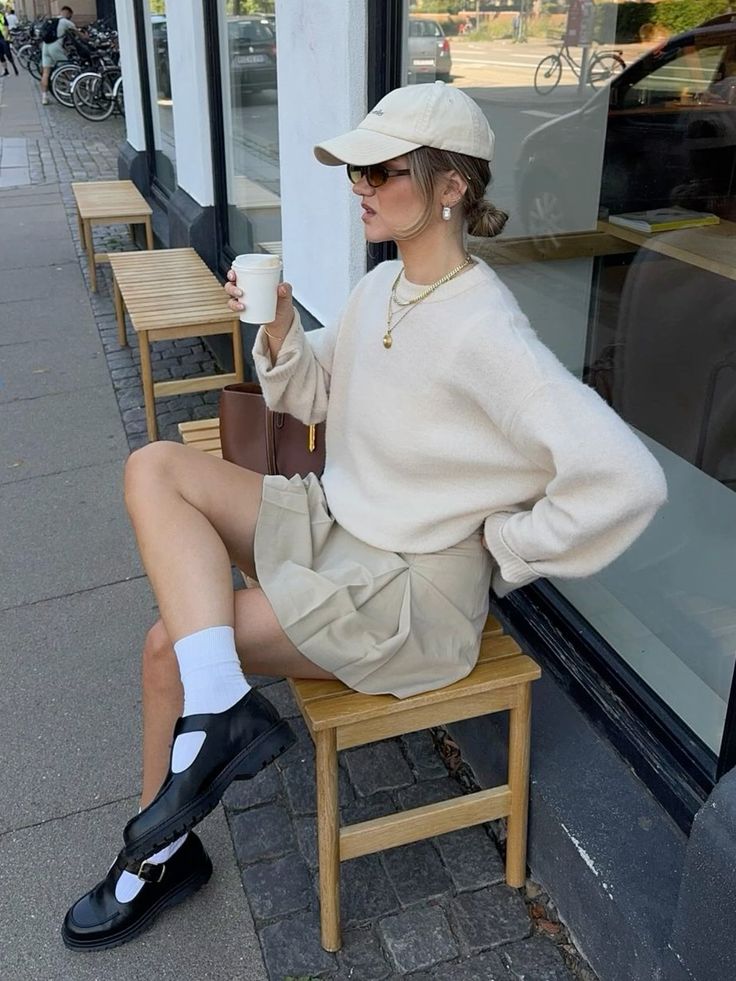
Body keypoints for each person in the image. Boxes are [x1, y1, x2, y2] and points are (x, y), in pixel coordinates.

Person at [62, 81, 668, 950]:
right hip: (339, 525)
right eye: (357, 169)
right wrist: (276, 327)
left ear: (452, 185)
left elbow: (625, 479)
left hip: (412, 596)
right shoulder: (381, 287)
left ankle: (159, 852)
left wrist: (506, 543)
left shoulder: (485, 329)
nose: (358, 185)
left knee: (169, 645)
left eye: (380, 170)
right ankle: (222, 711)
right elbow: (312, 394)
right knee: (155, 465)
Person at [39, 4, 75, 105]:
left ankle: (44, 97)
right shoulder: (66, 22)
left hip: (45, 47)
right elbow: (78, 34)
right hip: (55, 48)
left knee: (46, 73)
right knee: (67, 69)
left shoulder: (52, 20)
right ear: (68, 13)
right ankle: (74, 90)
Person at [0, 11, 18, 75]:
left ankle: (15, 67)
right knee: (1, 56)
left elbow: (6, 26)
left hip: (3, 38)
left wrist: (6, 36)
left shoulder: (1, 16)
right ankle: (6, 71)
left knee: (8, 54)